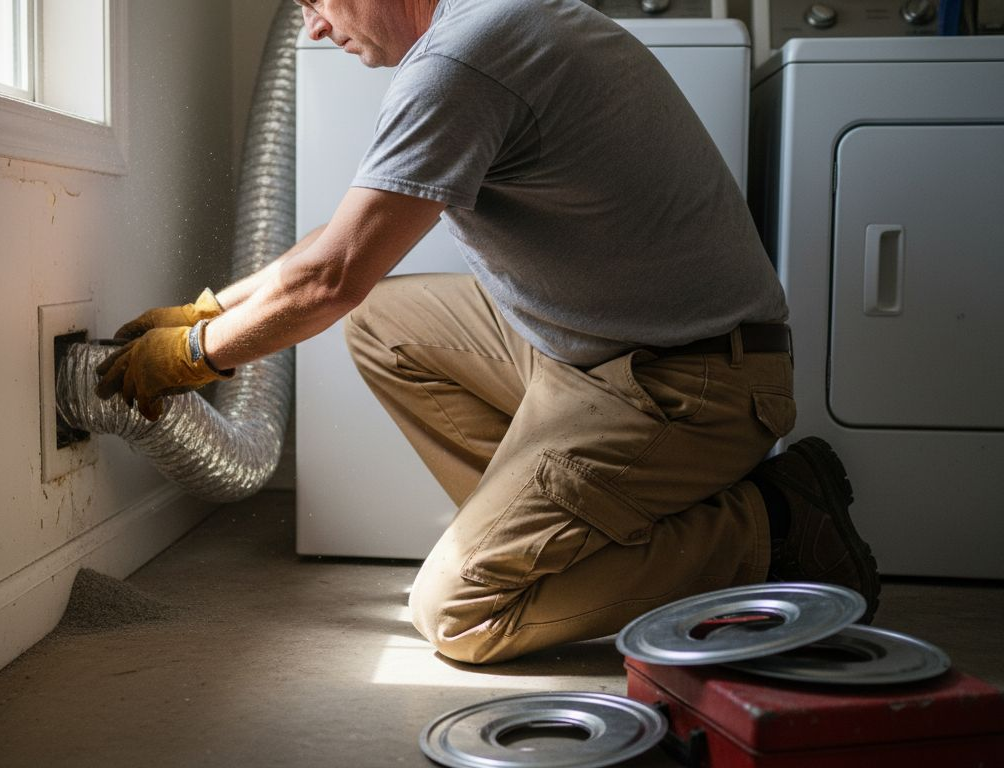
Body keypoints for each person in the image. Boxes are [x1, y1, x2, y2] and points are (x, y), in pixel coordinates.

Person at [96, 0, 880, 664]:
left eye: (315, 2)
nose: (314, 31)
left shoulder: (463, 62)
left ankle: (774, 527)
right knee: (384, 324)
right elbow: (339, 244)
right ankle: (552, 536)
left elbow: (331, 279)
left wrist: (190, 358)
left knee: (461, 618)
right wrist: (207, 311)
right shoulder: (487, 22)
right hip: (595, 355)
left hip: (687, 384)